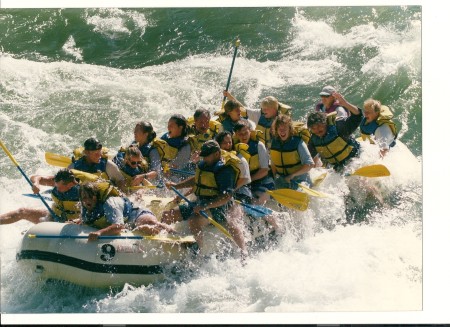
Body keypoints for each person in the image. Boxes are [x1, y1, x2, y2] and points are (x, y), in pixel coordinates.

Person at [161, 140, 248, 258]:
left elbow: (226, 197)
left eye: (207, 156)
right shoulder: (204, 165)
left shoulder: (225, 171)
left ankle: (198, 253)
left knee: (194, 220)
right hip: (199, 203)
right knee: (167, 215)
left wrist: (205, 206)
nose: (204, 159)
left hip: (218, 207)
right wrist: (176, 186)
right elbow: (196, 179)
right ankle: (162, 241)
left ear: (217, 154)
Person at [79, 182, 176, 241]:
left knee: (148, 224)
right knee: (140, 228)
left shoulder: (110, 203)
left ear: (96, 197)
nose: (87, 200)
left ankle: (174, 234)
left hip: (136, 214)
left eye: (90, 197)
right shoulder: (85, 206)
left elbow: (119, 227)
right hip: (127, 223)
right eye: (84, 198)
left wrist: (100, 233)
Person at [0, 169, 81, 224]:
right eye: (56, 185)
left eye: (59, 187)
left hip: (72, 222)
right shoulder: (56, 181)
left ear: (70, 184)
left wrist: (77, 221)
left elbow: (91, 212)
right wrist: (36, 184)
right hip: (53, 216)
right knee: (22, 211)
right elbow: (35, 177)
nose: (57, 188)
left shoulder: (82, 190)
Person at [307, 92, 363, 171]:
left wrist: (345, 104)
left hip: (356, 158)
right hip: (338, 166)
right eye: (313, 128)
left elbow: (358, 116)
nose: (317, 130)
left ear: (325, 123)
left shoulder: (339, 127)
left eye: (319, 126)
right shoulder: (313, 140)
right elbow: (308, 157)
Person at [221, 91, 292, 148]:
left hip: (277, 150)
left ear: (274, 109)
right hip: (263, 149)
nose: (263, 111)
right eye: (262, 109)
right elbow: (243, 109)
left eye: (265, 109)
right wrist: (229, 96)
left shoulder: (283, 120)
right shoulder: (259, 114)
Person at [233, 120, 274, 203]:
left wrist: (249, 179)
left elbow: (265, 170)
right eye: (240, 134)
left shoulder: (259, 145)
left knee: (259, 200)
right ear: (236, 135)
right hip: (244, 182)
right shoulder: (233, 147)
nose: (243, 136)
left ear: (250, 131)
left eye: (245, 133)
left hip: (262, 180)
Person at [270, 114, 314, 189]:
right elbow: (273, 165)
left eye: (284, 128)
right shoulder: (274, 143)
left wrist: (292, 175)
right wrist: (273, 180)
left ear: (290, 129)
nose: (282, 131)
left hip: (300, 180)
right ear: (276, 130)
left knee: (300, 191)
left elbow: (310, 164)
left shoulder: (298, 143)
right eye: (279, 129)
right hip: (283, 180)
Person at [153, 114, 195, 181]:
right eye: (168, 125)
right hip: (164, 170)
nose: (168, 128)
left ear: (180, 127)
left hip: (178, 175)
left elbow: (178, 166)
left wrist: (164, 170)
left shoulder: (185, 146)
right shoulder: (165, 138)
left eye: (171, 126)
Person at [215, 131, 253, 204]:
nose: (228, 145)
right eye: (224, 143)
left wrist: (230, 191)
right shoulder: (216, 157)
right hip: (225, 190)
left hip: (242, 191)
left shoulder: (240, 159)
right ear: (218, 145)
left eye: (230, 142)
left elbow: (245, 178)